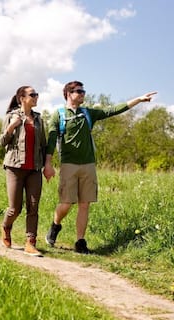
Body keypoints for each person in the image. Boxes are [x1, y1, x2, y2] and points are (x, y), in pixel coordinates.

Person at [43, 80, 157, 254]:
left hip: (88, 165)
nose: (82, 94)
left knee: (84, 204)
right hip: (68, 165)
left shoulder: (88, 113)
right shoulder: (58, 115)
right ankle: (55, 225)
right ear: (68, 94)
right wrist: (48, 164)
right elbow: (51, 141)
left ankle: (80, 242)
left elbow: (113, 110)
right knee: (66, 204)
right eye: (78, 91)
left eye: (83, 91)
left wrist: (139, 100)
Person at [0, 86, 48, 257]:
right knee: (15, 209)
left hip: (34, 169)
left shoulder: (39, 120)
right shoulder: (10, 117)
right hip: (14, 168)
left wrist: (47, 165)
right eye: (32, 95)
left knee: (33, 207)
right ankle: (6, 227)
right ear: (22, 98)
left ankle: (30, 242)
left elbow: (44, 145)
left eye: (37, 94)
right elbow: (2, 142)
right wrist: (12, 127)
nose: (36, 97)